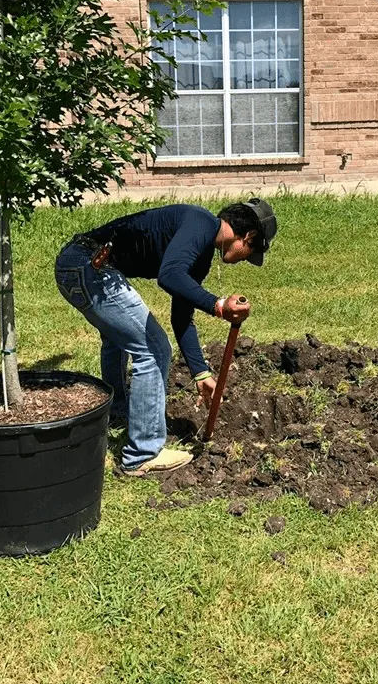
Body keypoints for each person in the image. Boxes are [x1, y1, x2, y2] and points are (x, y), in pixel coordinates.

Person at [54, 198, 278, 476]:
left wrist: (200, 372)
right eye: (251, 252)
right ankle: (142, 453)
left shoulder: (201, 248)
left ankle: (117, 414)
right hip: (89, 266)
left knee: (120, 339)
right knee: (154, 348)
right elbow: (169, 275)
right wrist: (218, 306)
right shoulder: (201, 222)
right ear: (249, 236)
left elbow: (181, 316)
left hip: (79, 264)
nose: (246, 259)